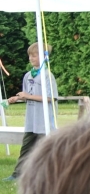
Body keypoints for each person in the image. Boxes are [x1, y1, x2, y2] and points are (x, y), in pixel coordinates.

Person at [5, 43, 57, 181]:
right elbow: (27, 94)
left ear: (44, 57)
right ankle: (17, 174)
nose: (30, 58)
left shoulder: (47, 75)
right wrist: (16, 98)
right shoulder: (28, 75)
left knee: (44, 150)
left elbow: (50, 98)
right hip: (31, 121)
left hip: (44, 121)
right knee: (26, 148)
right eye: (29, 55)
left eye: (34, 55)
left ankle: (48, 176)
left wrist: (27, 96)